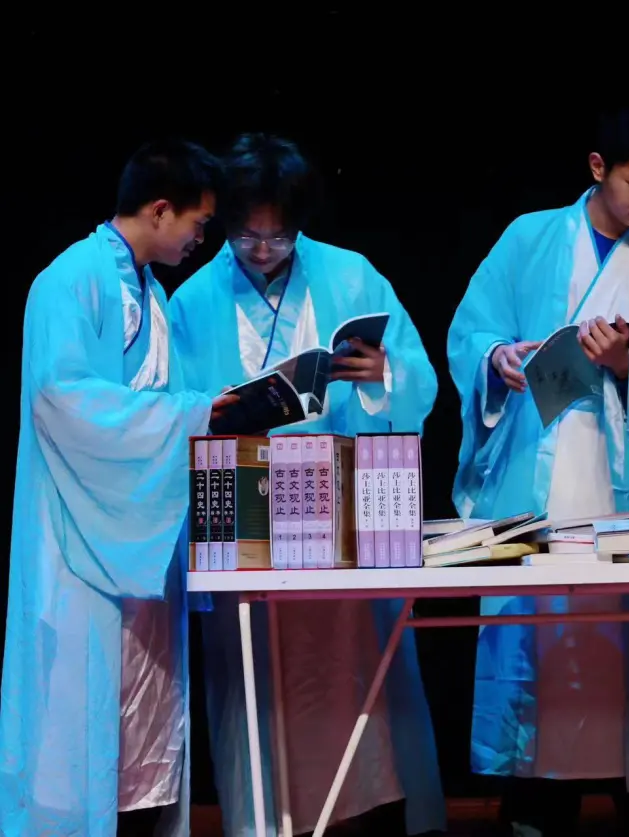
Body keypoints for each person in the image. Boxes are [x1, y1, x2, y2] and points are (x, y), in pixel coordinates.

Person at [169, 134, 445, 837]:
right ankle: (268, 819)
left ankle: (371, 813)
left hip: (341, 512)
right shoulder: (194, 300)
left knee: (357, 677)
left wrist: (383, 374)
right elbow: (175, 408)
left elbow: (420, 382)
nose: (262, 250)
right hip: (248, 516)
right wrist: (215, 412)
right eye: (246, 236)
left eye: (279, 236)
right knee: (257, 678)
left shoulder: (352, 275)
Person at [447, 106, 629, 837]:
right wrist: (498, 359)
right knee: (541, 629)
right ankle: (535, 800)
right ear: (598, 169)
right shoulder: (529, 236)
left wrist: (627, 366)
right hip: (541, 460)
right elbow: (472, 329)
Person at [0, 139, 231, 837]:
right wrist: (190, 414)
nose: (199, 239)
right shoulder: (69, 280)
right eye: (197, 223)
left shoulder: (150, 293)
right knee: (79, 720)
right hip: (79, 534)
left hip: (141, 536)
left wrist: (202, 413)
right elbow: (61, 398)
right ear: (160, 210)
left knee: (143, 731)